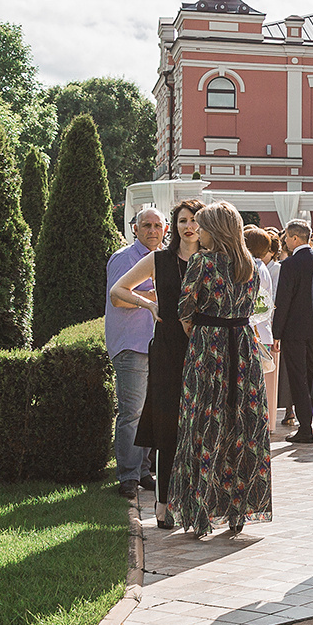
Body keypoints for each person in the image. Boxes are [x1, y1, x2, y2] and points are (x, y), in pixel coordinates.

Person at [113, 201, 269, 538]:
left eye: (201, 223)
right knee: (239, 428)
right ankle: (237, 509)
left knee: (201, 430)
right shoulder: (253, 266)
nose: (195, 229)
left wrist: (205, 330)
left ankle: (197, 511)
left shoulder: (202, 262)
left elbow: (185, 313)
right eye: (185, 221)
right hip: (242, 351)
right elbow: (258, 307)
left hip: (208, 352)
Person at [120, 198, 201, 529]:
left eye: (194, 220)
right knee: (168, 425)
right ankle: (163, 502)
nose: (188, 226)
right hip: (167, 348)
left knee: (197, 427)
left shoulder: (211, 260)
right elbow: (119, 289)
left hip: (202, 349)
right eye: (182, 220)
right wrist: (149, 305)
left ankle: (196, 501)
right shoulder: (160, 259)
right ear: (175, 225)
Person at [105, 206, 167, 502]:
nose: (152, 231)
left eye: (157, 225)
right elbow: (117, 299)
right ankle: (128, 476)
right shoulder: (124, 258)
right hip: (132, 345)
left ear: (165, 230)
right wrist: (157, 296)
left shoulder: (166, 258)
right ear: (135, 228)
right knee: (132, 413)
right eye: (146, 225)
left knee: (150, 413)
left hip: (158, 345)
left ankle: (143, 472)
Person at [274, 222, 313, 444]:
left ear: (294, 238)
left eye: (286, 237)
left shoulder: (290, 265)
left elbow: (284, 300)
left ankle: (305, 428)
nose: (285, 241)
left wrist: (276, 332)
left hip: (294, 331)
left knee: (298, 380)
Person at [246, 225, 282, 441]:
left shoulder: (254, 268)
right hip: (263, 331)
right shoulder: (263, 268)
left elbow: (260, 306)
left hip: (255, 332)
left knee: (258, 384)